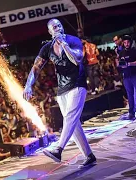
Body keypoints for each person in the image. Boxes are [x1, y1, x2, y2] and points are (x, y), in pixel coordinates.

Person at [23, 19, 96, 167]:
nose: (58, 29)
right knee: (73, 123)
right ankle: (89, 155)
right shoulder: (47, 48)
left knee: (69, 117)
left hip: (77, 84)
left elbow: (77, 59)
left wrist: (64, 44)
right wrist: (28, 85)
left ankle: (58, 149)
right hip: (62, 90)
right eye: (54, 28)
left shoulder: (73, 40)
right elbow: (36, 68)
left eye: (59, 26)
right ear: (50, 32)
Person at [116, 35, 136, 119]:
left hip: (135, 75)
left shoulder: (135, 50)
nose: (126, 44)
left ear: (131, 42)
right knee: (129, 95)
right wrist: (119, 64)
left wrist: (129, 64)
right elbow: (119, 64)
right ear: (123, 43)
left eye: (128, 42)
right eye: (125, 42)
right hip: (126, 76)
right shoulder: (122, 52)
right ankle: (131, 112)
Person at [113, 35, 136, 111]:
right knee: (129, 89)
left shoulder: (129, 45)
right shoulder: (117, 49)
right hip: (125, 71)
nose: (115, 42)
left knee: (135, 88)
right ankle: (134, 105)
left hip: (134, 69)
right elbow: (118, 59)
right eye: (114, 41)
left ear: (120, 39)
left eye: (116, 40)